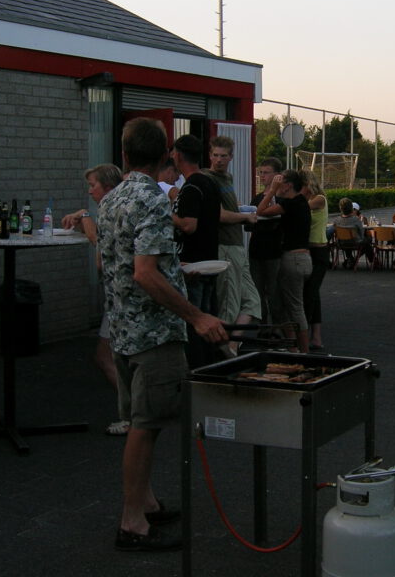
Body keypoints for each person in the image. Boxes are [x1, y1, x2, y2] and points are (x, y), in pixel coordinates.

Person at [97, 117, 227, 552]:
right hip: (152, 333)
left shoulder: (111, 199)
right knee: (146, 426)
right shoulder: (152, 199)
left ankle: (147, 502)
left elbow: (119, 265)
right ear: (164, 155)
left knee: (142, 423)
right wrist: (197, 316)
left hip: (121, 329)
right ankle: (132, 523)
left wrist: (175, 274)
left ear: (124, 153)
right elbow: (145, 273)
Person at [61, 163, 129, 435]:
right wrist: (83, 220)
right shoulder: (118, 208)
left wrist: (85, 216)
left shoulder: (110, 209)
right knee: (118, 357)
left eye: (93, 186)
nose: (90, 191)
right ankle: (136, 412)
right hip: (119, 294)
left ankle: (132, 414)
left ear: (108, 187)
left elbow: (101, 255)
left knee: (106, 357)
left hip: (120, 296)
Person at [203, 136, 260, 351]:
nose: (219, 160)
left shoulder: (227, 177)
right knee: (229, 304)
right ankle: (223, 353)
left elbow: (228, 209)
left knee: (252, 301)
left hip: (237, 246)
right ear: (210, 156)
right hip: (225, 245)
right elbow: (218, 215)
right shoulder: (208, 179)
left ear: (231, 157)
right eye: (215, 155)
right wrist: (245, 217)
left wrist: (239, 210)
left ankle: (231, 347)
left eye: (223, 156)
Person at [171, 134, 221, 369]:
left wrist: (167, 214)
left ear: (179, 156)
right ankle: (211, 368)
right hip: (210, 261)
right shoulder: (209, 182)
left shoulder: (191, 186)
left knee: (195, 323)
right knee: (209, 319)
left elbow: (189, 225)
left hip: (193, 266)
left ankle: (197, 371)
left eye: (173, 152)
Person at [255, 169, 312, 352]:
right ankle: (294, 350)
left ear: (287, 186)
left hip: (292, 258)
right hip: (304, 258)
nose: (276, 183)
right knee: (284, 306)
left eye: (280, 182)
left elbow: (260, 211)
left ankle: (304, 353)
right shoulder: (301, 201)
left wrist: (271, 190)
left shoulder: (290, 203)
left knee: (295, 308)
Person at [248, 157, 283, 326]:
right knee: (257, 291)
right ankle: (263, 325)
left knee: (274, 291)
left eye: (266, 173)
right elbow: (250, 224)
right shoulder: (256, 199)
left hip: (274, 251)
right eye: (260, 172)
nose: (262, 176)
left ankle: (276, 326)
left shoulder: (281, 200)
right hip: (256, 250)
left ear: (277, 175)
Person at [302, 171, 329, 351]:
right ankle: (316, 337)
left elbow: (299, 210)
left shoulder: (319, 199)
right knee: (313, 293)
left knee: (309, 294)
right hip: (309, 250)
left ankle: (303, 335)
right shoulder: (309, 200)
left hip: (318, 252)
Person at [333, 197, 374, 267]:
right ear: (351, 209)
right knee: (368, 240)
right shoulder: (356, 220)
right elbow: (361, 234)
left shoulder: (336, 220)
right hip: (355, 242)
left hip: (341, 243)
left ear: (340, 208)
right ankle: (372, 260)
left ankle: (351, 259)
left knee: (347, 239)